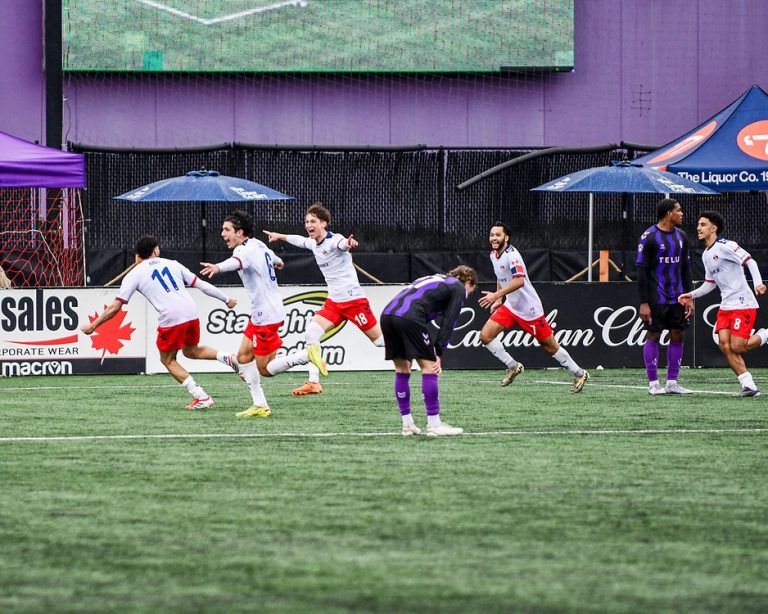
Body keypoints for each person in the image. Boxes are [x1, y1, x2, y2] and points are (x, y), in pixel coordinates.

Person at [81, 235, 238, 410]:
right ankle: (227, 357)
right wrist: (226, 299)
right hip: (191, 312)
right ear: (155, 250)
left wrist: (93, 326)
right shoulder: (173, 263)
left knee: (167, 360)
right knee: (191, 351)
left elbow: (115, 307)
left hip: (171, 317)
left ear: (137, 256)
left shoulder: (134, 274)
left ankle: (201, 396)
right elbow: (201, 285)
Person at [263, 202, 384, 395]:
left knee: (379, 342)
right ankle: (313, 383)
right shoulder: (313, 243)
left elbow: (342, 244)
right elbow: (299, 240)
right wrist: (281, 236)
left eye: (313, 221)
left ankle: (415, 344)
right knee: (311, 334)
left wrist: (349, 243)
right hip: (334, 303)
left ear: (324, 224)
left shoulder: (334, 239)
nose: (309, 225)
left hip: (354, 302)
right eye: (307, 221)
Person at [200, 209, 311, 417]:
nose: (223, 234)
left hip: (265, 316)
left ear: (240, 232)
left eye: (227, 230)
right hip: (266, 311)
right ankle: (260, 404)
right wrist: (275, 264)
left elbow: (236, 263)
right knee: (242, 357)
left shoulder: (243, 251)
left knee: (265, 369)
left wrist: (217, 266)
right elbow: (278, 261)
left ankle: (305, 355)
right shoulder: (259, 244)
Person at [478, 221, 589, 393]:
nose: (494, 238)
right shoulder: (494, 254)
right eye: (492, 235)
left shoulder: (512, 255)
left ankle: (579, 373)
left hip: (529, 310)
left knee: (549, 346)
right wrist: (499, 298)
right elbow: (501, 275)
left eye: (498, 235)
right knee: (485, 336)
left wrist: (496, 295)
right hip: (510, 306)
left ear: (506, 238)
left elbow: (519, 281)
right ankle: (512, 365)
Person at [678, 210, 768, 397]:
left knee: (738, 346)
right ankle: (749, 386)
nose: (698, 228)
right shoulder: (706, 255)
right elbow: (710, 284)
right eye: (698, 224)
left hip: (743, 303)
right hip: (726, 306)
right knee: (724, 345)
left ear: (714, 228)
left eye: (703, 225)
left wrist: (758, 283)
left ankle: (766, 335)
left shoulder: (726, 246)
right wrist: (691, 295)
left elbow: (749, 261)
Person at [381, 265, 477, 437]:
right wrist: (438, 352)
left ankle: (407, 424)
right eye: (471, 290)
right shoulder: (458, 287)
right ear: (469, 282)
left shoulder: (435, 278)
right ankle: (434, 424)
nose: (467, 295)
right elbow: (449, 321)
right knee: (430, 367)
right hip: (409, 318)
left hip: (387, 315)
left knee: (402, 369)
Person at [636, 198, 694, 395]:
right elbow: (641, 272)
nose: (681, 214)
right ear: (669, 213)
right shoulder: (649, 237)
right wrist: (644, 302)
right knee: (654, 334)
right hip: (656, 297)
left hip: (677, 297)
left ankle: (672, 382)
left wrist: (689, 297)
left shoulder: (682, 237)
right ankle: (653, 384)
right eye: (678, 210)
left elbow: (686, 269)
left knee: (678, 333)